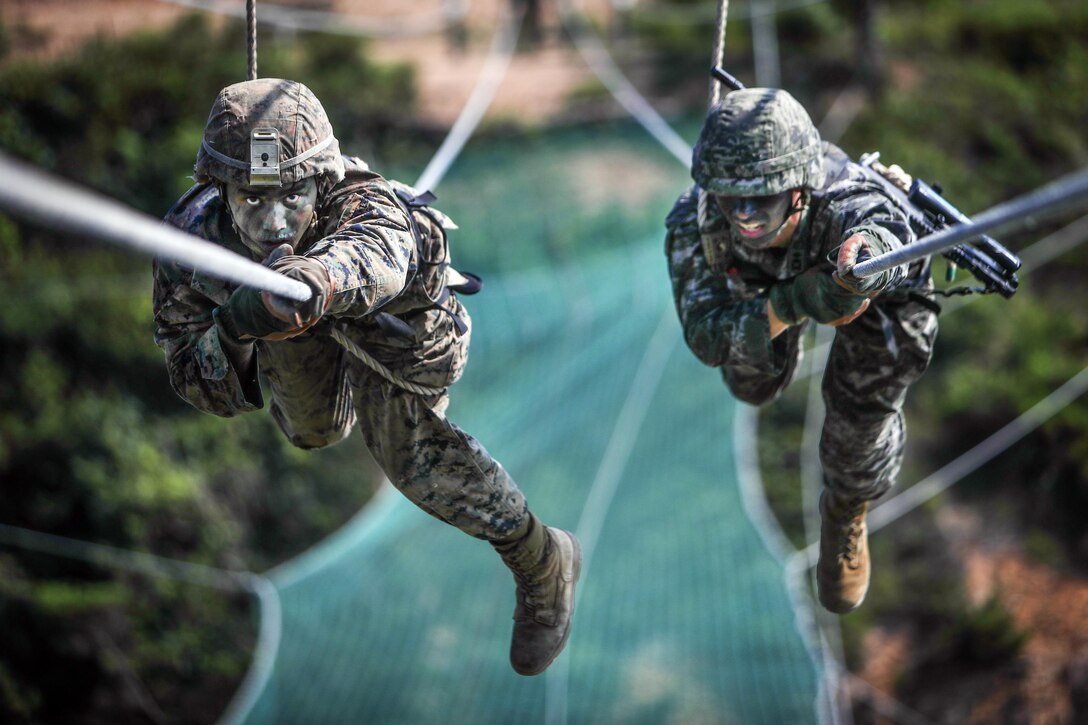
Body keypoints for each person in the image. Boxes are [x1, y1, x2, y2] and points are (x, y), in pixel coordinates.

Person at [152, 78, 580, 674]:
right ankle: (303, 357)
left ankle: (541, 560)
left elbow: (375, 255)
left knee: (407, 454)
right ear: (220, 189)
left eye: (293, 196)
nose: (275, 222)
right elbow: (188, 371)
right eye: (252, 199)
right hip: (292, 332)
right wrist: (233, 330)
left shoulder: (360, 202)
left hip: (400, 333)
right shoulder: (190, 244)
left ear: (320, 181)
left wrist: (314, 282)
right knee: (314, 430)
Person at [664, 87, 939, 613]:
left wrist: (865, 265)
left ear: (798, 187)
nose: (743, 213)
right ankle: (780, 323)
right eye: (729, 195)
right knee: (752, 380)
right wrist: (792, 303)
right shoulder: (696, 223)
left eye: (761, 195)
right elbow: (705, 334)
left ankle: (847, 510)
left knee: (860, 420)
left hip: (877, 296)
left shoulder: (844, 198)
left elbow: (888, 233)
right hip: (765, 287)